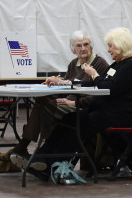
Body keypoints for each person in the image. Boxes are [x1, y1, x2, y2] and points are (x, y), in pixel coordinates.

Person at [32, 27, 132, 178]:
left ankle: (52, 164)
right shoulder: (119, 64)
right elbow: (98, 84)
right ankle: (40, 160)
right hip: (108, 111)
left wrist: (94, 74)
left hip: (124, 115)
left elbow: (108, 87)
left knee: (80, 123)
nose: (108, 50)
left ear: (122, 45)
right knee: (69, 119)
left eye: (111, 46)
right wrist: (68, 84)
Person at [9, 30, 110, 170]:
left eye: (86, 44)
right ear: (73, 49)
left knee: (42, 105)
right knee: (44, 101)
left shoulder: (100, 64)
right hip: (67, 103)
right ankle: (43, 157)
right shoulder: (73, 63)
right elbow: (68, 86)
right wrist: (57, 82)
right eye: (79, 46)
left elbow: (99, 94)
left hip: (81, 107)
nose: (83, 48)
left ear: (91, 46)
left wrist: (73, 102)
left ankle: (30, 149)